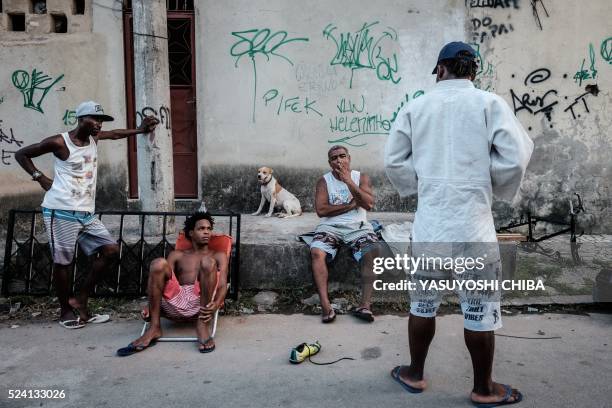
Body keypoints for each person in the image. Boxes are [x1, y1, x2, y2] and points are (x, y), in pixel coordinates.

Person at [384, 42, 533, 406]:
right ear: (473, 71)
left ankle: (414, 374)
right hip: (473, 227)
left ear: (440, 70)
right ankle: (484, 388)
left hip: (431, 227)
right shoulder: (490, 104)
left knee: (421, 304)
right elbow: (514, 158)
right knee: (479, 309)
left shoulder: (416, 107)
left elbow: (394, 161)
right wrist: (487, 182)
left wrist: (420, 184)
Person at [15, 101, 159, 329]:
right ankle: (65, 310)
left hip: (85, 213)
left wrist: (141, 130)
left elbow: (116, 134)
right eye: (95, 119)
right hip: (60, 210)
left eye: (101, 121)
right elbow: (21, 154)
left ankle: (80, 299)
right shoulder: (59, 142)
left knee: (111, 250)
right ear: (81, 119)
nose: (99, 125)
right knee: (64, 262)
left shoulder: (95, 137)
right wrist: (39, 177)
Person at [117, 212, 228, 355]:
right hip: (176, 300)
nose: (206, 231)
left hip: (203, 302)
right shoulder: (177, 255)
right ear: (191, 233)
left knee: (207, 262)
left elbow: (223, 284)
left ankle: (202, 326)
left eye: (208, 228)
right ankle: (154, 327)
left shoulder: (218, 255)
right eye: (201, 229)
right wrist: (149, 306)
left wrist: (218, 302)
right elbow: (162, 282)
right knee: (158, 264)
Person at [310, 145, 379, 323]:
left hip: (358, 226)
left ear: (349, 158)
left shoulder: (360, 177)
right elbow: (321, 210)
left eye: (342, 156)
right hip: (330, 227)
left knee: (370, 252)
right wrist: (349, 206)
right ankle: (326, 307)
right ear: (329, 163)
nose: (339, 160)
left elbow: (368, 204)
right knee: (317, 252)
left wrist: (348, 181)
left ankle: (365, 305)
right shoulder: (323, 181)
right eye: (334, 158)